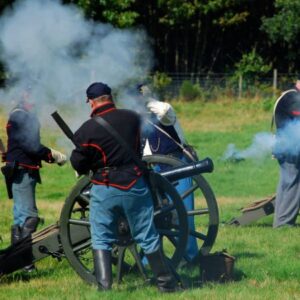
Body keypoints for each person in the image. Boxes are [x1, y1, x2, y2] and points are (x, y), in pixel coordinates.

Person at [70, 82, 179, 292]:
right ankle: (166, 286)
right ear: (110, 97)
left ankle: (104, 288)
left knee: (101, 237)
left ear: (91, 102)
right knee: (147, 235)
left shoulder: (86, 130)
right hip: (134, 184)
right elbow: (140, 147)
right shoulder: (132, 118)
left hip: (104, 187)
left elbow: (79, 164)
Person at [3, 87, 67, 270]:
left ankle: (17, 260)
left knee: (20, 217)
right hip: (23, 170)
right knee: (28, 217)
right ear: (25, 95)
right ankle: (24, 263)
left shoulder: (21, 115)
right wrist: (52, 155)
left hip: (21, 169)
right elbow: (30, 145)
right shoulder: (21, 116)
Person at [138, 84, 198, 262]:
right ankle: (150, 261)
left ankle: (190, 258)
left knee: (184, 216)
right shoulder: (137, 120)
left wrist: (146, 102)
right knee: (154, 218)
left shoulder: (165, 112)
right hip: (154, 171)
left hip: (177, 167)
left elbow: (164, 110)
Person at [272, 80, 300, 227]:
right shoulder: (292, 98)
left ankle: (281, 221)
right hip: (289, 148)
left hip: (289, 146)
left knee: (287, 184)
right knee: (292, 185)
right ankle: (283, 223)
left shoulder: (291, 96)